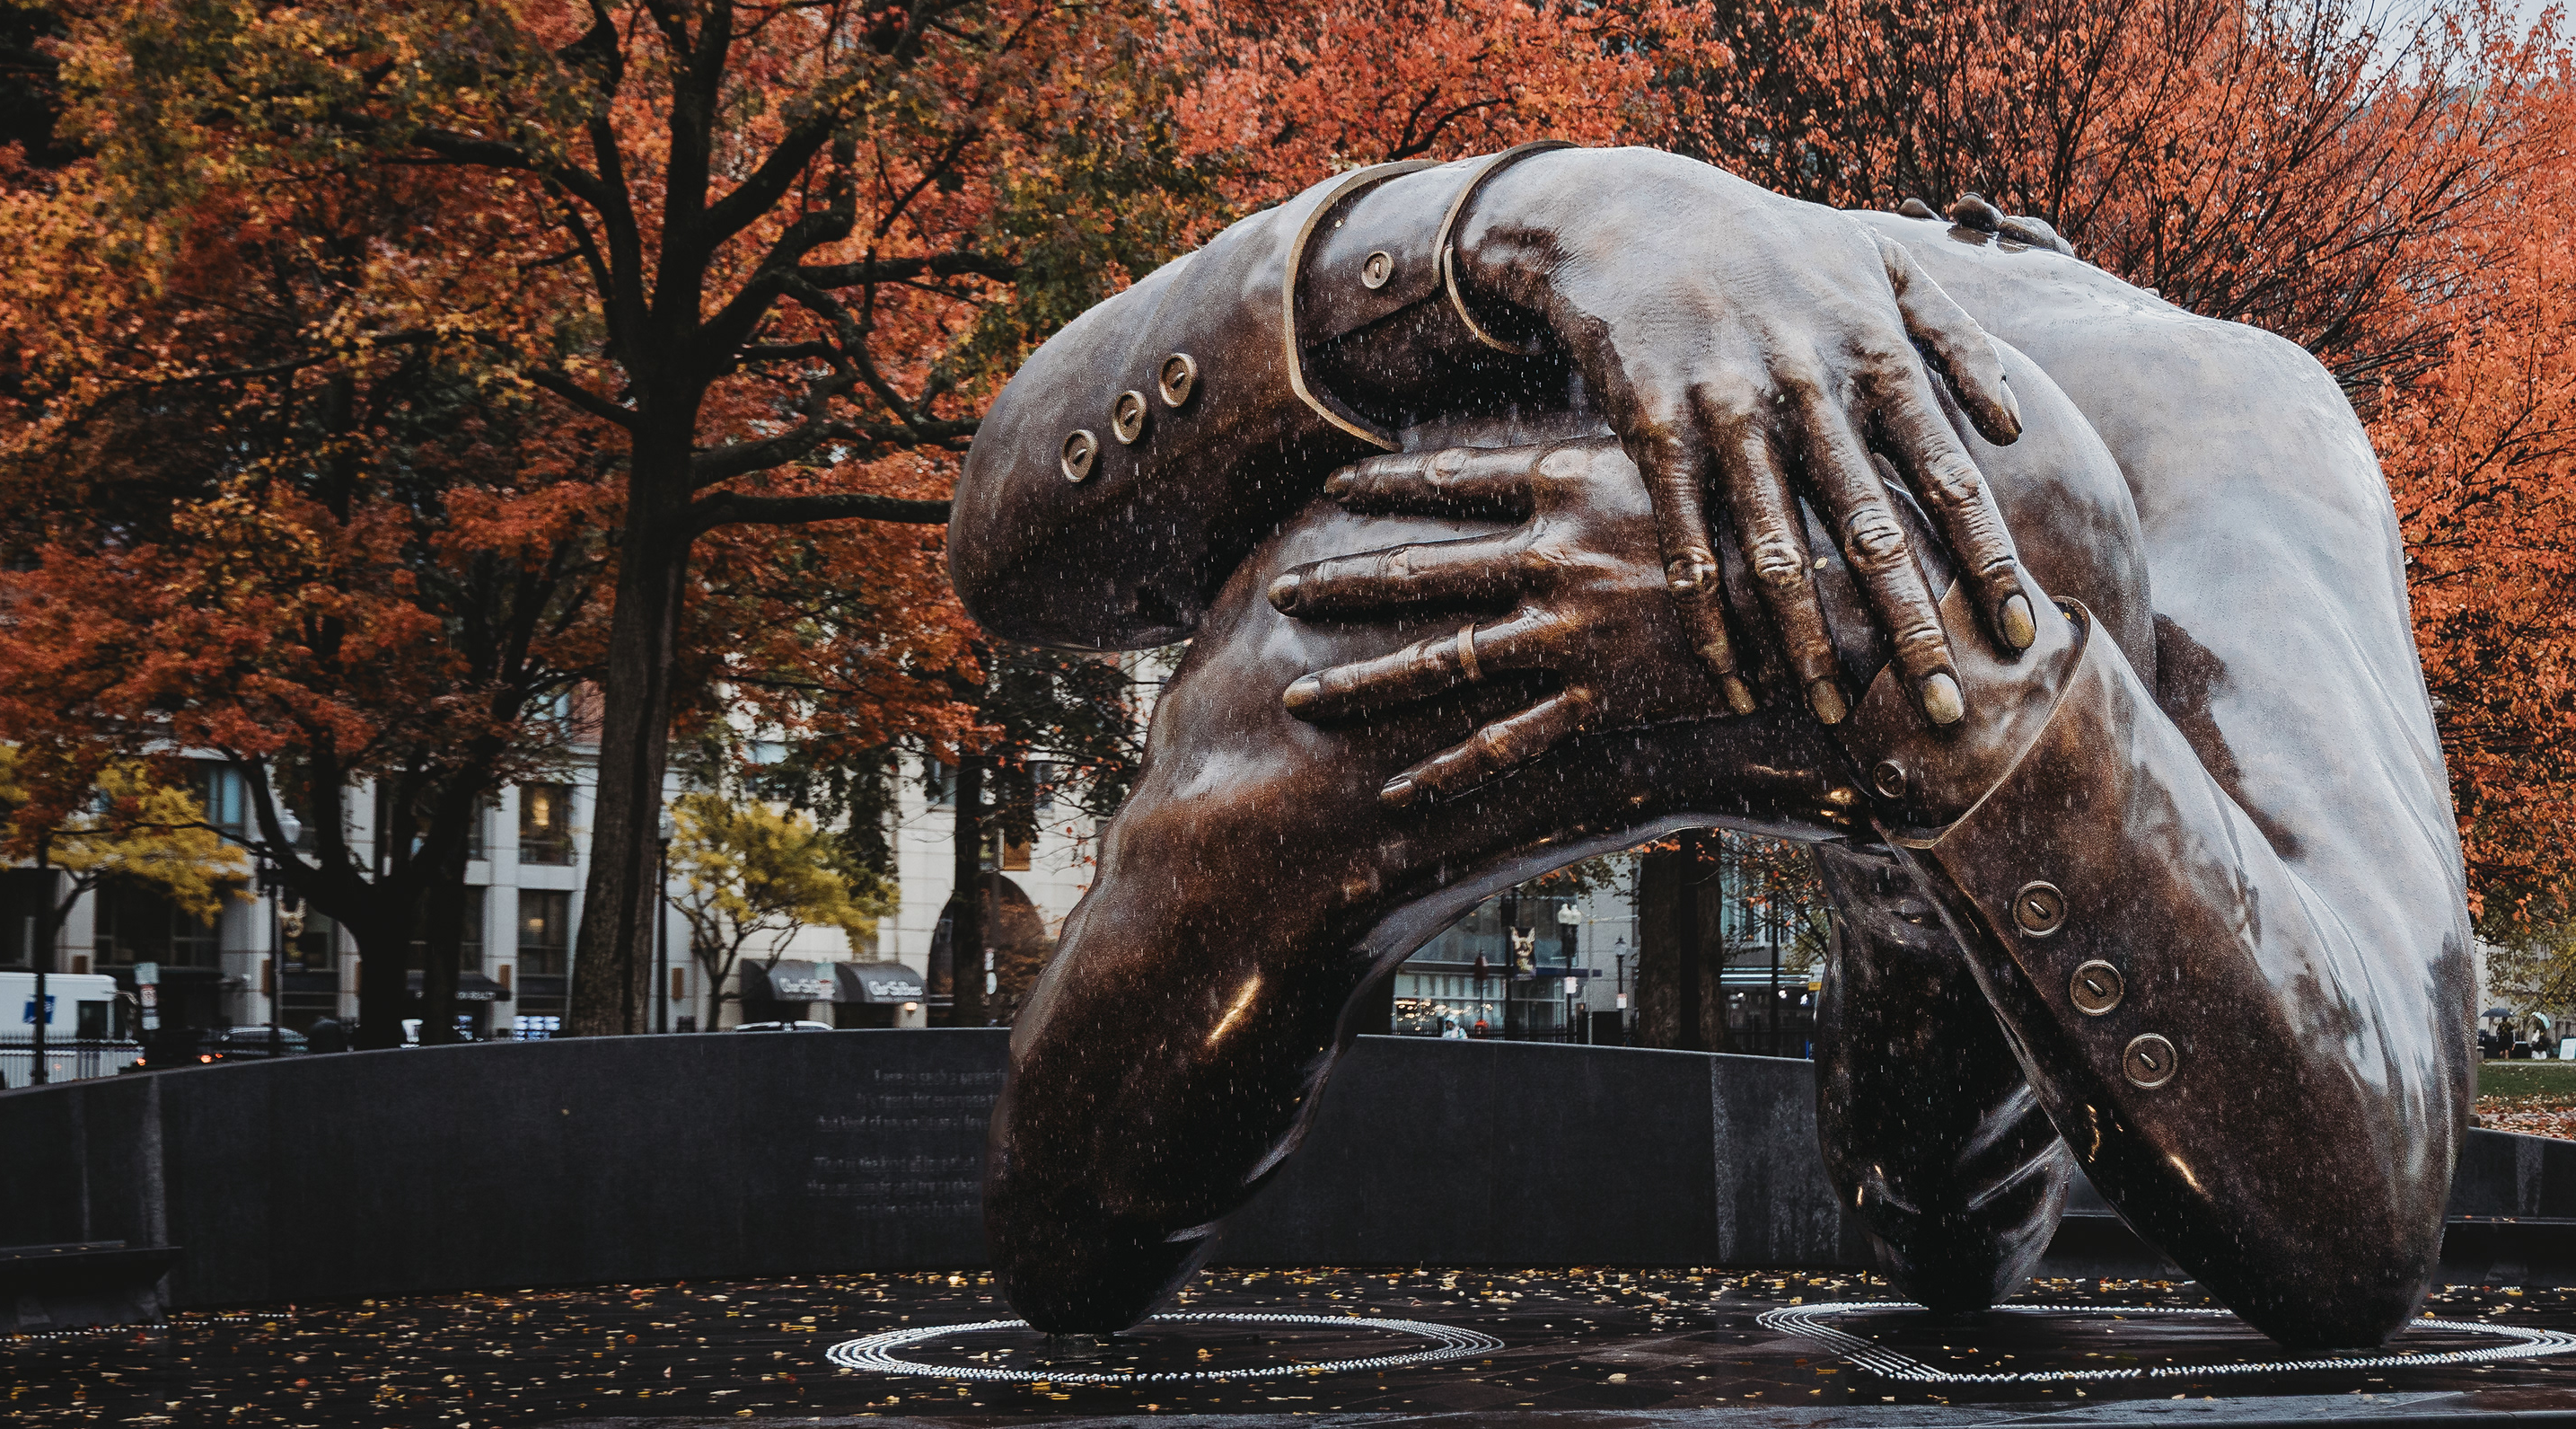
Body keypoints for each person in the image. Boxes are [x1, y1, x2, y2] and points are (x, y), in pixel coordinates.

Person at [947, 146, 2475, 1347]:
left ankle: (1912, 815)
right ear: (2012, 231)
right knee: (1941, 1181)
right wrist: (1546, 213)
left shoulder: (2189, 408)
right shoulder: (2203, 394)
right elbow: (1007, 542)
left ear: (1970, 233)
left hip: (1581, 481)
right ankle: (1922, 813)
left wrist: (1522, 213)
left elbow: (2359, 1193)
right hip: (1747, 474)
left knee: (1938, 1184)